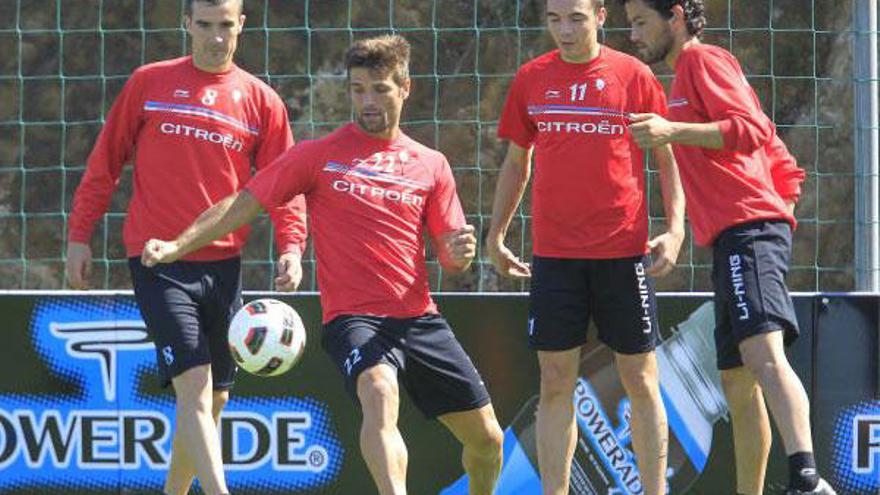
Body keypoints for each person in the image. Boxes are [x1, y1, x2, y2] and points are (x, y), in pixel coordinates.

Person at [140, 34, 505, 495]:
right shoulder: (319, 155)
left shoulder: (431, 165)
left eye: (380, 89)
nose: (367, 101)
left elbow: (452, 257)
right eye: (358, 90)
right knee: (379, 392)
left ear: (405, 87)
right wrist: (176, 246)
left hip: (419, 320)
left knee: (488, 441)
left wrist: (461, 252)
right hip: (353, 319)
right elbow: (243, 204)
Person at [65, 1, 307, 494]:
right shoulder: (148, 83)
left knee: (212, 403)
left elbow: (284, 183)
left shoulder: (262, 101)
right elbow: (104, 163)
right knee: (194, 390)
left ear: (241, 24)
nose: (215, 37)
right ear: (186, 25)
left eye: (225, 25)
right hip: (157, 258)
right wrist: (78, 236)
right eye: (204, 25)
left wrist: (292, 246)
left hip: (224, 264)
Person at [618, 1, 837, 494]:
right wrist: (775, 200)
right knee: (737, 383)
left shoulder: (702, 61)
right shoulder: (680, 80)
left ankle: (807, 481)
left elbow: (751, 130)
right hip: (735, 236)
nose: (633, 34)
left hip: (748, 233)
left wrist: (673, 132)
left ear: (675, 16)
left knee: (763, 356)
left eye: (640, 22)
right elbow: (777, 152)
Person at [485, 0, 686, 493]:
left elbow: (667, 156)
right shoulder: (531, 78)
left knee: (640, 379)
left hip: (622, 253)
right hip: (555, 258)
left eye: (575, 17)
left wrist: (676, 228)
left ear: (600, 15)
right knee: (555, 382)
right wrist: (496, 234)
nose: (564, 30)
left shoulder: (634, 75)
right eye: (554, 19)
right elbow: (517, 162)